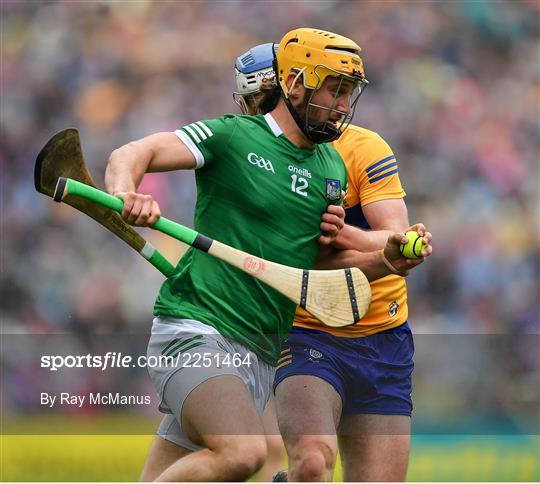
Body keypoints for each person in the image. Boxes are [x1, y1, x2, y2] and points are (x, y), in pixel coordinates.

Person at [106, 28, 430, 482]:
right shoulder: (232, 136)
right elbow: (135, 150)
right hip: (199, 326)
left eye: (348, 94)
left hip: (257, 350)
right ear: (295, 84)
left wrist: (389, 261)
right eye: (334, 91)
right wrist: (126, 192)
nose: (342, 105)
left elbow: (312, 266)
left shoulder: (330, 167)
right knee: (242, 455)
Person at [233, 40, 430, 481]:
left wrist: (349, 236)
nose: (259, 115)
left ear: (294, 90)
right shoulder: (249, 158)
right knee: (313, 462)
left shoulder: (364, 147)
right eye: (253, 104)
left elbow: (394, 234)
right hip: (308, 335)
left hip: (384, 338)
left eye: (265, 101)